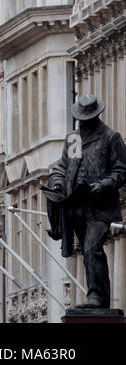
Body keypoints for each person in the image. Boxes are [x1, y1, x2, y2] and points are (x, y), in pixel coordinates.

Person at [45, 92, 126, 309]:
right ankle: (98, 297)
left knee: (92, 247)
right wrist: (58, 183)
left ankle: (97, 297)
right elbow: (65, 166)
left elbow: (121, 171)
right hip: (76, 204)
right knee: (86, 251)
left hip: (100, 207)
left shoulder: (110, 137)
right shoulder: (74, 138)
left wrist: (102, 185)